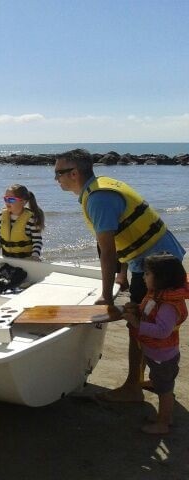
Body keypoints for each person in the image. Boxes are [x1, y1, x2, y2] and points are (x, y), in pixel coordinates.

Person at [54, 148, 185, 401]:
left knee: (139, 322)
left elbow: (108, 251)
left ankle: (134, 387)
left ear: (74, 173)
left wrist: (106, 296)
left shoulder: (98, 199)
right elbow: (125, 234)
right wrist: (122, 274)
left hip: (156, 266)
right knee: (150, 318)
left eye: (58, 173)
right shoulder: (101, 187)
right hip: (157, 256)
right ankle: (151, 377)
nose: (56, 179)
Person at [121, 254, 188, 434]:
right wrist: (136, 310)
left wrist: (137, 324)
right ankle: (165, 415)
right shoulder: (156, 296)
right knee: (160, 383)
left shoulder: (168, 305)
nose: (143, 277)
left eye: (147, 273)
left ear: (162, 279)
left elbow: (162, 331)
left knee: (165, 390)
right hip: (156, 355)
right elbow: (150, 314)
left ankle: (163, 422)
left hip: (163, 357)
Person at [0, 184, 44, 260]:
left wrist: (35, 256)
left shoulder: (31, 218)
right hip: (7, 259)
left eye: (11, 199)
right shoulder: (2, 215)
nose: (7, 202)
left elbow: (37, 241)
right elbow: (0, 236)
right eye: (5, 199)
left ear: (23, 201)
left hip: (26, 261)